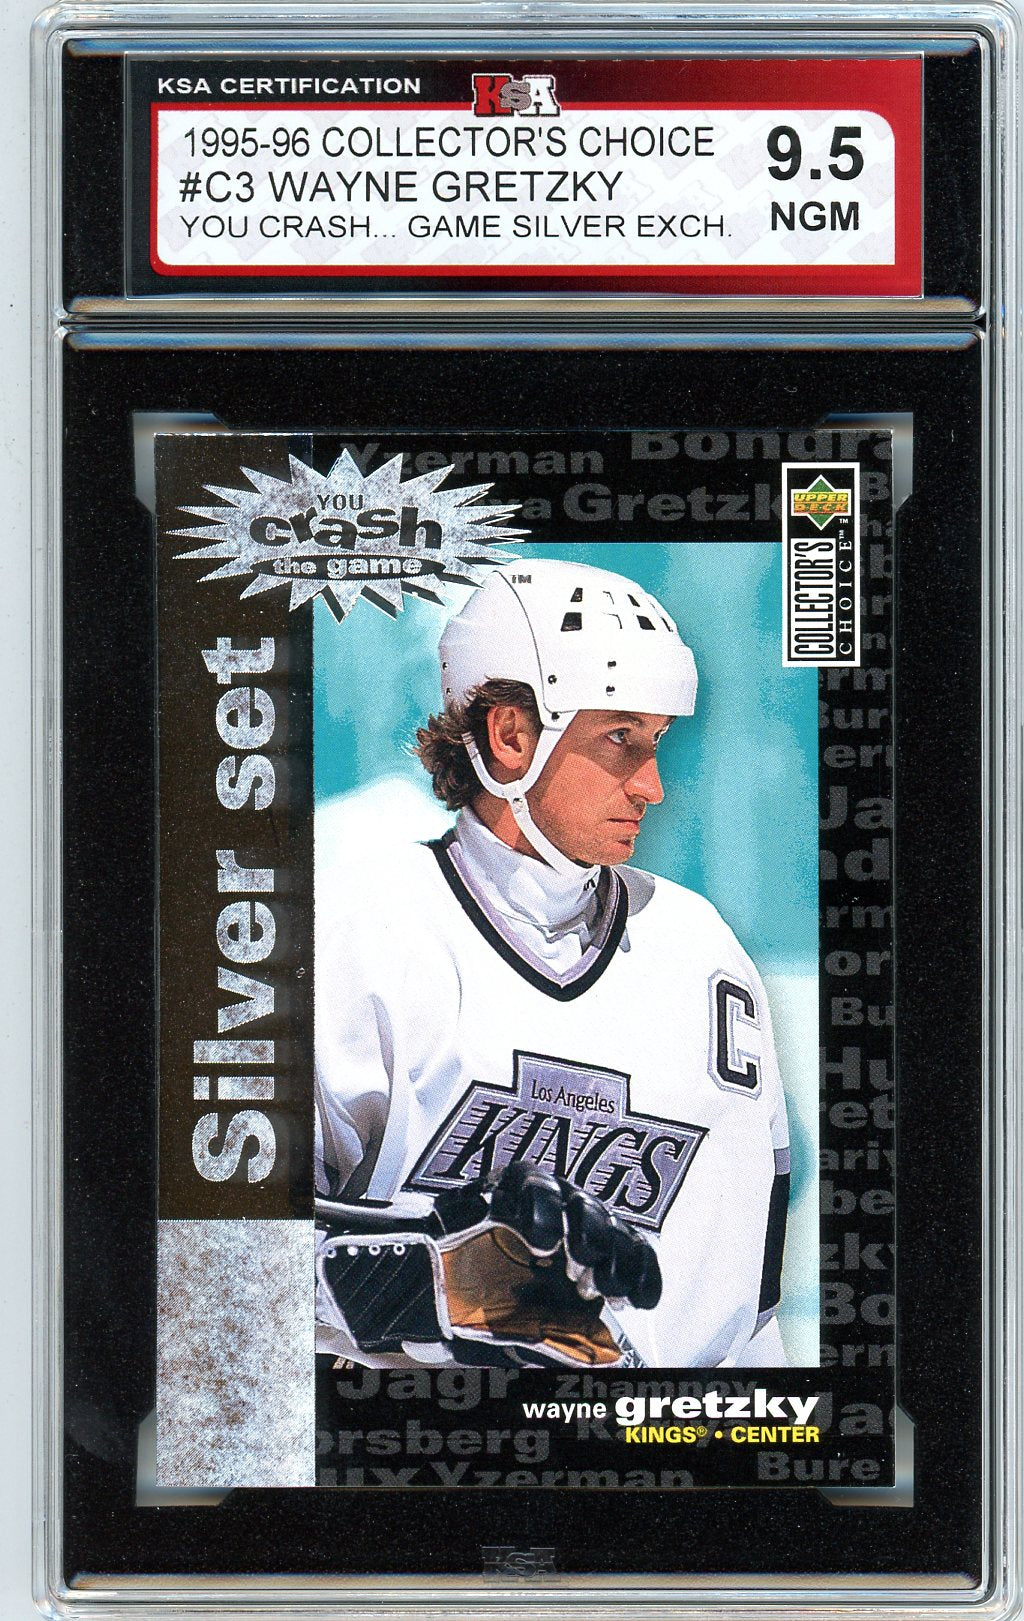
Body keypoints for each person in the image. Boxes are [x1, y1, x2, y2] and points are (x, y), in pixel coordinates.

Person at [315, 559, 790, 1370]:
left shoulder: (704, 955)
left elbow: (750, 1318)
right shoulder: (357, 929)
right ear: (511, 737)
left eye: (657, 741)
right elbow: (221, 1272)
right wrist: (433, 1283)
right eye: (620, 738)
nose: (653, 786)